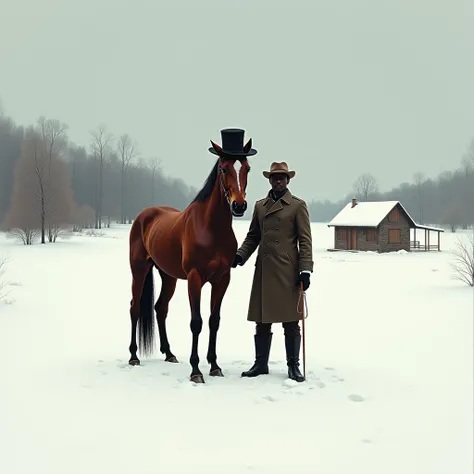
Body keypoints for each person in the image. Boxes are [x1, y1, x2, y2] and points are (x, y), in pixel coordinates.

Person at [232, 161, 313, 382]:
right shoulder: (260, 206)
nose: (278, 181)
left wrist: (306, 270)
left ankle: (293, 366)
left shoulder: (298, 206)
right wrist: (240, 255)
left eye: (282, 177)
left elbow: (305, 241)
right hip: (264, 270)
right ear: (269, 180)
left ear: (288, 180)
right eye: (274, 177)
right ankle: (260, 364)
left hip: (288, 271)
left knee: (290, 321)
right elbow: (253, 237)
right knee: (262, 320)